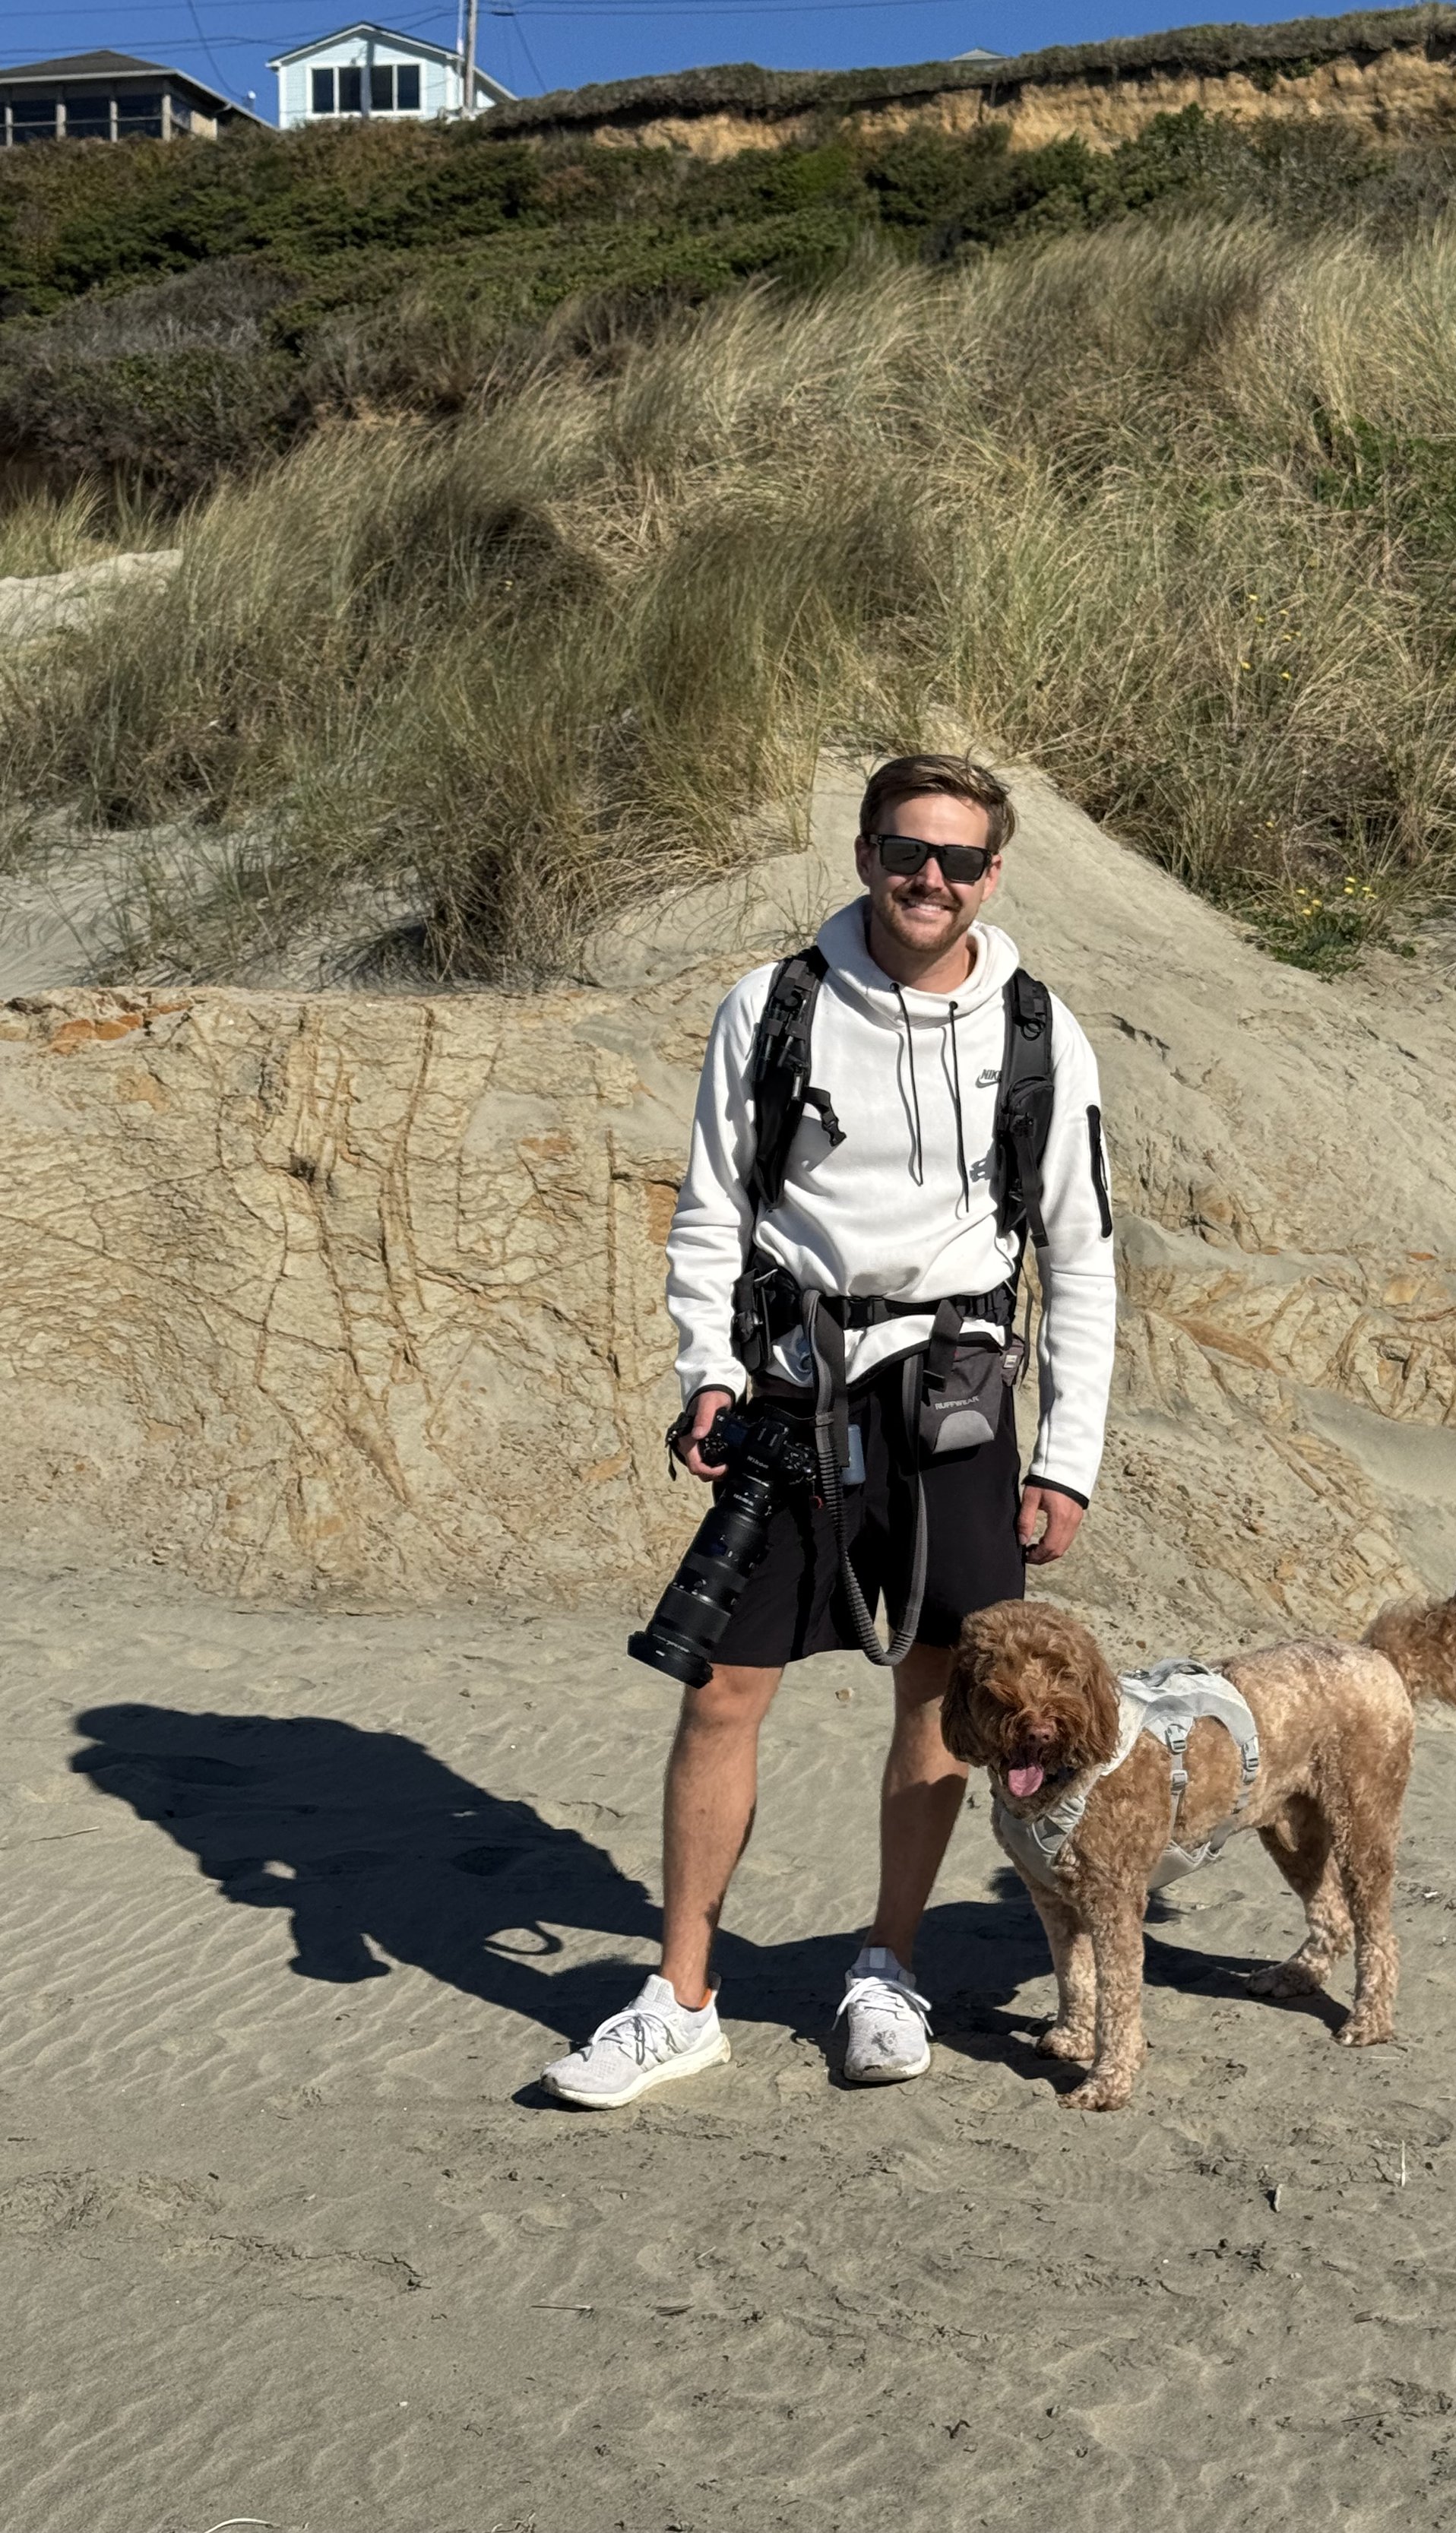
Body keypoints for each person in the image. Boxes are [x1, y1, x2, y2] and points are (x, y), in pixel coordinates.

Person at [540, 755, 1116, 2108]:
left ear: (993, 874)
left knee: (939, 1692)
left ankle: (888, 1968)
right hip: (795, 1393)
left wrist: (1068, 1455)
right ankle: (680, 1996)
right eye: (908, 851)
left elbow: (1082, 1254)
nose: (933, 880)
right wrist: (708, 1371)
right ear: (865, 854)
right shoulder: (775, 1006)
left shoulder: (1040, 1032)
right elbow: (710, 1211)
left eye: (962, 861)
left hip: (960, 1397)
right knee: (723, 1685)